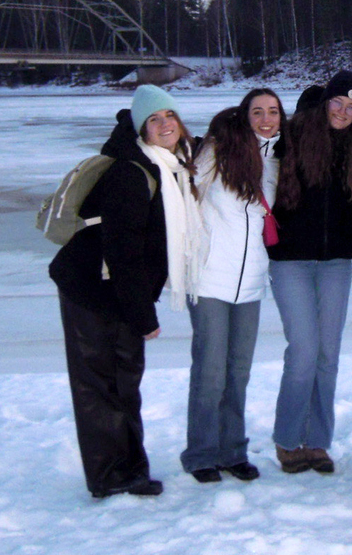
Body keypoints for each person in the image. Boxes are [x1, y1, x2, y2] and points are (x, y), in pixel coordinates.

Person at [48, 84, 200, 499]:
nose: (165, 123)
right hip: (92, 288)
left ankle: (130, 467)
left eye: (169, 115)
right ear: (142, 129)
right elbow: (124, 252)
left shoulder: (170, 164)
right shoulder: (130, 173)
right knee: (100, 385)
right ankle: (110, 477)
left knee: (124, 381)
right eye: (155, 119)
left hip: (121, 289)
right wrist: (143, 317)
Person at [268, 71, 352, 474]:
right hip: (291, 260)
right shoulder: (291, 137)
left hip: (335, 262)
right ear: (324, 101)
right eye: (337, 103)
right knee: (304, 351)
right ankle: (287, 439)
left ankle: (318, 442)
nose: (344, 112)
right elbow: (248, 149)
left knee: (328, 354)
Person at [181, 89, 284, 483]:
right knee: (210, 371)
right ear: (244, 116)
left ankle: (232, 451)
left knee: (238, 371)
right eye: (257, 111)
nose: (266, 118)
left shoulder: (275, 161)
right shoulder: (215, 153)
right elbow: (184, 192)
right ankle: (202, 454)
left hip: (251, 283)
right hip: (209, 280)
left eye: (273, 111)